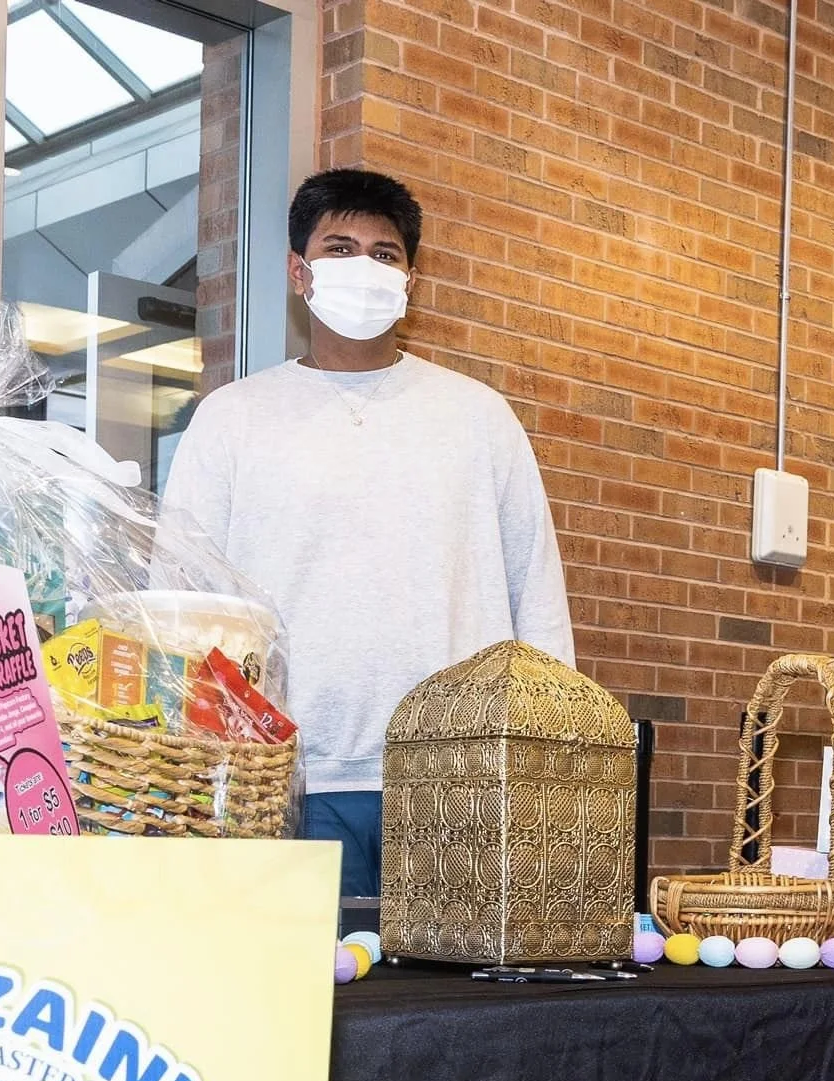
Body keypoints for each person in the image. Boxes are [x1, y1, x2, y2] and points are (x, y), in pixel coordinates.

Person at [160, 168, 576, 896]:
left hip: (458, 780)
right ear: (299, 271)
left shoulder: (478, 418)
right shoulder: (233, 419)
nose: (365, 269)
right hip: (284, 780)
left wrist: (549, 759)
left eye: (385, 255)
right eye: (341, 247)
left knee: (456, 1006)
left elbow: (535, 593)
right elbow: (181, 601)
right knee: (301, 1003)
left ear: (411, 280)